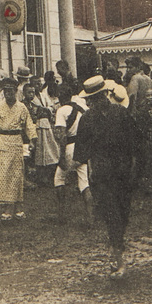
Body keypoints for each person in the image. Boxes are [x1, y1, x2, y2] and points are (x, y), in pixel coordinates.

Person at [74, 75, 137, 279]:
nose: (91, 103)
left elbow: (135, 144)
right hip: (102, 175)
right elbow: (81, 153)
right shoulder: (87, 119)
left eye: (93, 98)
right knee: (112, 214)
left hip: (122, 173)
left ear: (104, 95)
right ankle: (117, 256)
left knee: (122, 212)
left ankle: (116, 245)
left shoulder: (121, 114)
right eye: (89, 100)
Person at [0, 77, 37, 222]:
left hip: (16, 142)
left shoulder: (21, 107)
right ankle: (7, 209)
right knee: (4, 175)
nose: (8, 94)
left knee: (17, 175)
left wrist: (32, 140)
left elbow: (29, 125)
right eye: (6, 91)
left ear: (15, 92)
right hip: (3, 142)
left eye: (11, 91)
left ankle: (18, 208)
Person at [53, 83, 91, 224]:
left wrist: (62, 156)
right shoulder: (82, 108)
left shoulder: (62, 111)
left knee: (59, 179)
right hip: (82, 146)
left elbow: (62, 136)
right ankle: (89, 217)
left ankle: (61, 213)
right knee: (84, 182)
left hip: (69, 146)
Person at [31, 76, 60, 185]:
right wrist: (41, 111)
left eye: (39, 83)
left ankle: (49, 175)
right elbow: (35, 111)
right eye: (35, 84)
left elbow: (51, 106)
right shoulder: (31, 97)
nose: (37, 86)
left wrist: (47, 110)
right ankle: (41, 176)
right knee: (39, 151)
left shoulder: (43, 95)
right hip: (37, 125)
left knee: (50, 149)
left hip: (47, 124)